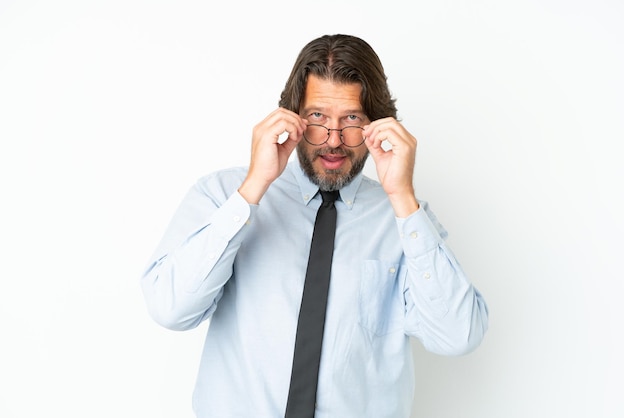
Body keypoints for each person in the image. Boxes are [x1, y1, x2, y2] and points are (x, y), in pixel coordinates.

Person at [141, 33, 489, 418]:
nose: (333, 141)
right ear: (292, 117)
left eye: (352, 119)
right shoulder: (223, 195)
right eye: (318, 117)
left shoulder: (404, 220)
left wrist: (404, 199)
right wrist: (253, 190)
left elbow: (458, 336)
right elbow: (171, 310)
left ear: (377, 123)